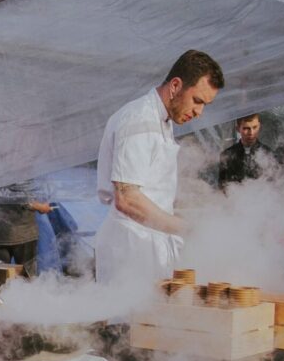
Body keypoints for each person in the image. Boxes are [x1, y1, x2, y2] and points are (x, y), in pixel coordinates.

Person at [94, 50, 224, 285]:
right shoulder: (138, 119)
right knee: (129, 321)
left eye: (205, 105)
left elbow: (154, 188)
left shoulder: (161, 121)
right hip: (130, 248)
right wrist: (187, 228)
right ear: (175, 86)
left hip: (149, 243)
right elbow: (127, 199)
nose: (199, 112)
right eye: (197, 101)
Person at [0, 180, 52, 278]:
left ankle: (0, 293)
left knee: (0, 275)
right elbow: (21, 198)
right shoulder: (17, 168)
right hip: (22, 232)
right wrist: (41, 207)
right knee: (27, 275)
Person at [217, 113, 274, 190]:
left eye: (255, 127)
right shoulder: (227, 155)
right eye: (246, 128)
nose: (251, 133)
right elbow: (222, 186)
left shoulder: (268, 154)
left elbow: (274, 184)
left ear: (259, 126)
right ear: (237, 128)